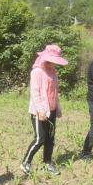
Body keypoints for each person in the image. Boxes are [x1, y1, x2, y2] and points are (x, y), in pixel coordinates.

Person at [20, 44, 68, 176]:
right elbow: (35, 93)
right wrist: (41, 111)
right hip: (39, 112)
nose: (54, 64)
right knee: (40, 138)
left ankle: (47, 163)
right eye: (52, 61)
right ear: (46, 59)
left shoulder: (53, 73)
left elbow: (55, 92)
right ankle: (26, 163)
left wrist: (57, 108)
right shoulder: (37, 72)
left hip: (51, 110)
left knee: (50, 138)